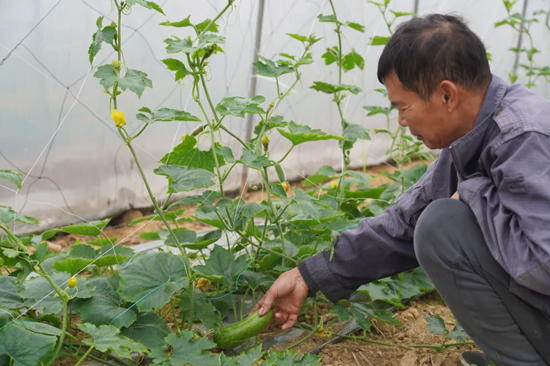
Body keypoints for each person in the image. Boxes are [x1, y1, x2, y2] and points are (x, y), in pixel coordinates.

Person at [253, 14, 550, 366]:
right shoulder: (478, 130)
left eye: (403, 107)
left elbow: (543, 264)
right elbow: (405, 220)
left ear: (446, 94)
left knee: (442, 225)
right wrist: (309, 275)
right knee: (436, 218)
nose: (402, 122)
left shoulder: (523, 137)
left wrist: (475, 194)